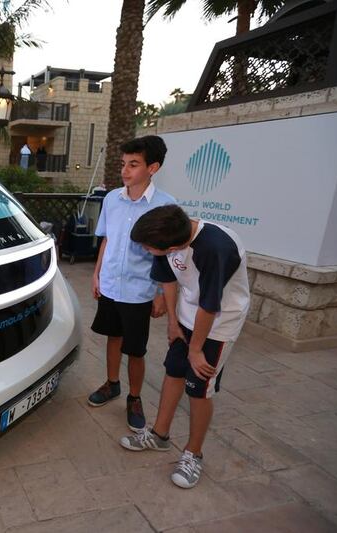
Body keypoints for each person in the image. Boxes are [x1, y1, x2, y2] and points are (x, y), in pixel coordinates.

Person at [119, 204, 250, 489]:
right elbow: (168, 281)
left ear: (173, 246)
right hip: (190, 314)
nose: (145, 250)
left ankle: (194, 453)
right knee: (174, 370)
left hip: (220, 322)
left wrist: (195, 349)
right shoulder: (169, 233)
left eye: (148, 247)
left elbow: (210, 306)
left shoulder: (216, 248)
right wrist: (173, 324)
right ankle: (160, 435)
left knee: (199, 386)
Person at [88, 135, 175, 432]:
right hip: (111, 284)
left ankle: (134, 397)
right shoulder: (112, 199)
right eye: (123, 164)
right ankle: (112, 384)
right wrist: (97, 273)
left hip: (140, 290)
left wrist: (162, 293)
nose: (125, 171)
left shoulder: (166, 205)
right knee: (113, 337)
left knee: (136, 349)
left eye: (133, 164)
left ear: (153, 167)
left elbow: (169, 256)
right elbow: (107, 240)